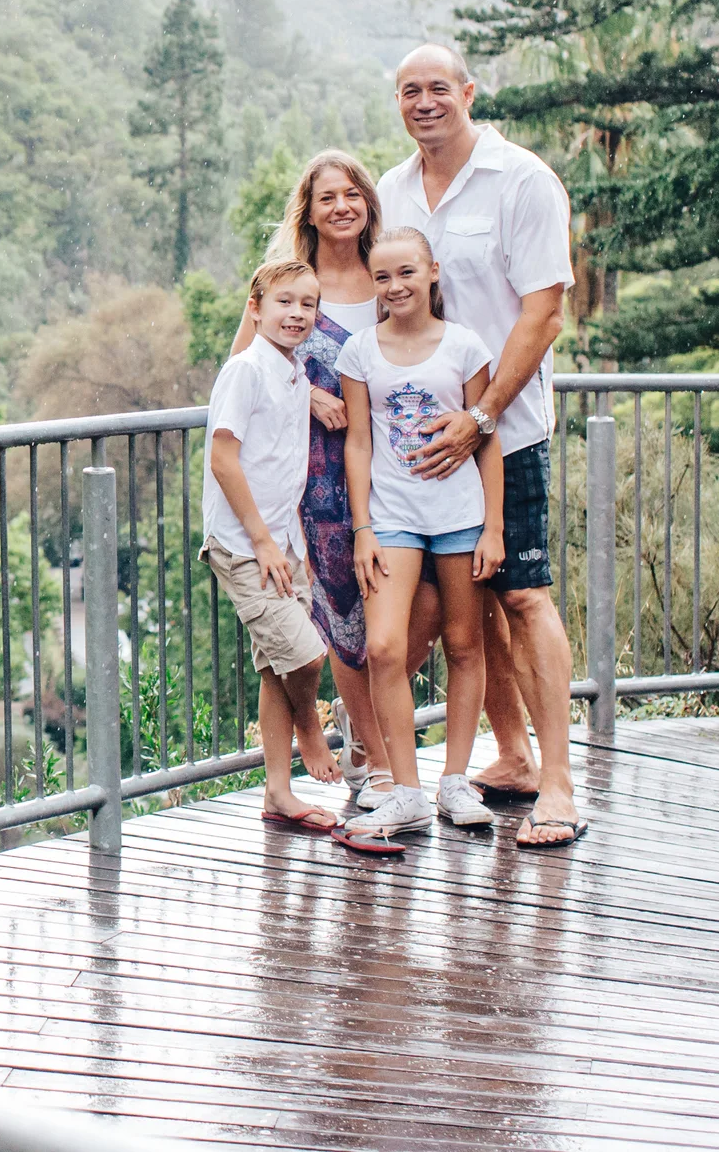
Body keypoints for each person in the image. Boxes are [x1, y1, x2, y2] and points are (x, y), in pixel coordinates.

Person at [378, 43, 584, 850]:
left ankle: (560, 784)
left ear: (468, 92)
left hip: (507, 429)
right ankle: (511, 755)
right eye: (407, 92)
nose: (423, 102)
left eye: (437, 88)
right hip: (420, 447)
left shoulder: (522, 180)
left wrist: (485, 414)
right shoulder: (393, 189)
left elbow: (544, 314)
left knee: (525, 594)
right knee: (477, 600)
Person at [228, 151, 402, 808]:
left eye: (352, 193)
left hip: (394, 465)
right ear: (310, 208)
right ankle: (371, 761)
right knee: (340, 620)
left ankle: (364, 738)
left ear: (368, 202)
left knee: (413, 610)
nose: (341, 206)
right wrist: (308, 399)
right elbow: (245, 364)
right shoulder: (293, 282)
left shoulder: (388, 273)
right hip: (315, 482)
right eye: (327, 196)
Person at [202, 258, 393, 853]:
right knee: (307, 658)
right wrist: (261, 540)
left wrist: (296, 544)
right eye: (284, 302)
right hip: (243, 544)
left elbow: (286, 465)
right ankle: (314, 733)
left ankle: (278, 794)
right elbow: (224, 458)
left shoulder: (291, 374)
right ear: (255, 308)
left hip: (284, 543)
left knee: (273, 666)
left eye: (308, 305)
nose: (297, 314)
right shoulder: (245, 372)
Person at [337, 229, 502, 837]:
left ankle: (453, 781)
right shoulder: (360, 351)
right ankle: (403, 790)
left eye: (406, 273)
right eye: (382, 278)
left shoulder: (463, 345)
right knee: (384, 647)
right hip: (393, 517)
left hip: (460, 517)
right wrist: (362, 527)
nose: (395, 286)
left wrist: (495, 528)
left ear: (433, 272)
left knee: (464, 644)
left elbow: (486, 439)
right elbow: (358, 442)